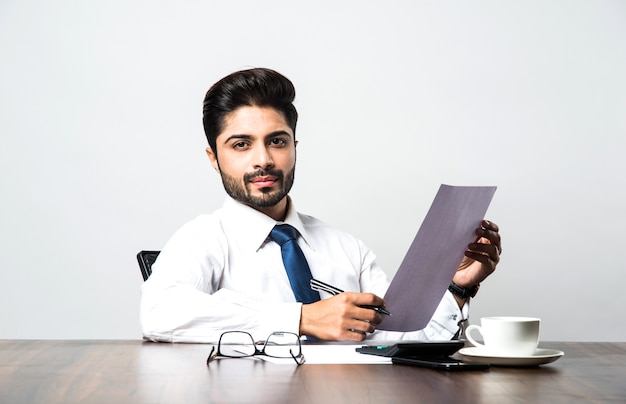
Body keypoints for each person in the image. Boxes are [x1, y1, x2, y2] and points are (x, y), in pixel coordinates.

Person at [140, 67, 501, 343]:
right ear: (213, 158)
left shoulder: (347, 249)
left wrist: (456, 287)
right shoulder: (202, 240)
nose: (263, 159)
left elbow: (403, 339)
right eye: (241, 144)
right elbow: (160, 313)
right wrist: (302, 318)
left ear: (294, 147)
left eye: (277, 141)